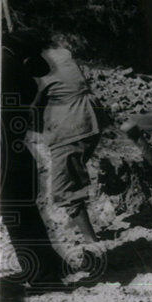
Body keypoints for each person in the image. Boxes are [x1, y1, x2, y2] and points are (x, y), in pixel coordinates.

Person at [0, 30, 72, 286]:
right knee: (25, 213)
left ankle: (44, 276)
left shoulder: (2, 67)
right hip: (15, 151)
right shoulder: (14, 69)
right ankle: (50, 266)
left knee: (17, 215)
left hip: (1, 154)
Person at [29, 35, 108, 244]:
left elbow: (30, 105)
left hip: (71, 125)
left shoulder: (37, 65)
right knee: (74, 174)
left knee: (64, 189)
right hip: (92, 118)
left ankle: (91, 241)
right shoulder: (61, 53)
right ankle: (78, 223)